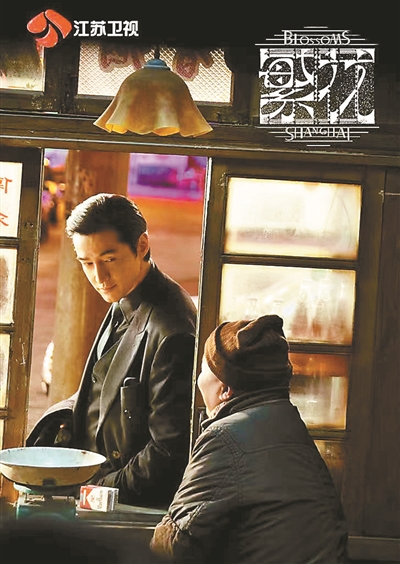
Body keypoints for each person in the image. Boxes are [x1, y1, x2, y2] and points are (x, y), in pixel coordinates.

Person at [27, 193, 197, 508]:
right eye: (87, 263)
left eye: (108, 260)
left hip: (130, 504)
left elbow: (168, 453)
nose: (99, 277)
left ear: (142, 245)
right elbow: (104, 385)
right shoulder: (126, 293)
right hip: (100, 481)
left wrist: (90, 491)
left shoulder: (172, 330)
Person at [150, 315, 348, 563]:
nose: (198, 379)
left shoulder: (224, 438)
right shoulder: (290, 427)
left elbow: (175, 544)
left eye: (202, 369)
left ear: (225, 389)